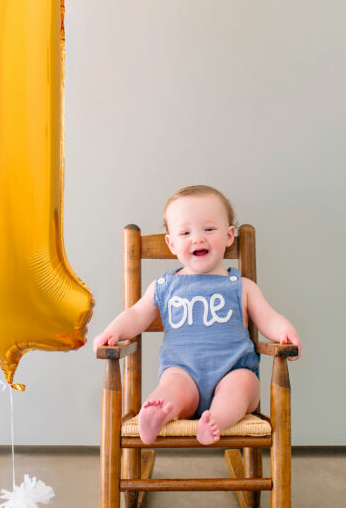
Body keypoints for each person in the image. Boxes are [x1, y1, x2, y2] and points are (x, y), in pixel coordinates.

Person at [93, 185, 301, 445]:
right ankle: (158, 411)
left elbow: (268, 317)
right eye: (185, 232)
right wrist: (112, 332)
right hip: (182, 372)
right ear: (171, 243)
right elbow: (136, 315)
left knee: (241, 387)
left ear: (229, 236)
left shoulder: (241, 285)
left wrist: (285, 332)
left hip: (234, 370)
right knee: (172, 389)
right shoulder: (164, 286)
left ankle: (216, 419)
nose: (198, 238)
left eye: (209, 229)